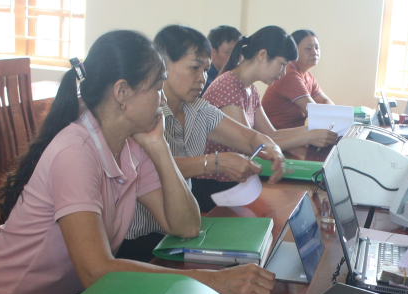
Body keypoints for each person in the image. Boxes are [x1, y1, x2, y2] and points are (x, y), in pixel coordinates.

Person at [0, 30, 276, 294]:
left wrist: (158, 147)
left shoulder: (130, 145)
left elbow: (186, 225)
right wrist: (213, 281)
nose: (162, 98)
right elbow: (96, 271)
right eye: (156, 87)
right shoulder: (75, 152)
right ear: (122, 93)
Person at [119, 25, 286, 260]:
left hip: (183, 228)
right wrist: (214, 163)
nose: (202, 78)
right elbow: (149, 167)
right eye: (194, 67)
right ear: (163, 64)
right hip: (140, 238)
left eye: (206, 70)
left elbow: (250, 137)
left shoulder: (198, 109)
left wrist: (272, 148)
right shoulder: (145, 113)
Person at [200, 26, 337, 203]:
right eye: (282, 64)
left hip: (235, 180)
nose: (283, 73)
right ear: (262, 55)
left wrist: (310, 131)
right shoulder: (229, 86)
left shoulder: (250, 89)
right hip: (215, 184)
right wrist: (309, 136)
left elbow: (270, 134)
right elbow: (250, 145)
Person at [262, 29, 334, 129]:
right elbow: (314, 112)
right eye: (308, 48)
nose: (314, 52)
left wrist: (333, 116)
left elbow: (325, 101)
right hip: (277, 135)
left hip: (294, 134)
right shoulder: (289, 74)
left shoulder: (307, 75)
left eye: (317, 48)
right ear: (294, 49)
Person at [203, 25, 242, 95]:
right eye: (229, 53)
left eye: (239, 53)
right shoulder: (205, 83)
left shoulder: (237, 80)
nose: (236, 58)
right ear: (213, 53)